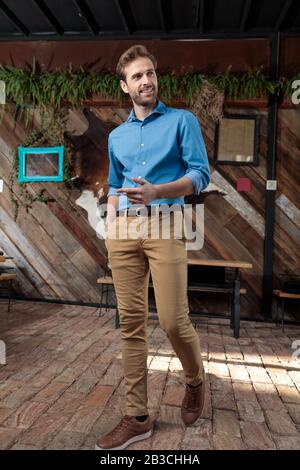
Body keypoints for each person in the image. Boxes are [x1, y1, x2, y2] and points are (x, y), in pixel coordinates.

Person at [95, 45, 210, 451]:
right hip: (123, 230)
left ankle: (195, 380)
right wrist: (110, 220)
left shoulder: (182, 121)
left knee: (175, 322)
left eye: (150, 73)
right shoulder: (117, 135)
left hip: (167, 222)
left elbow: (200, 175)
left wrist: (161, 190)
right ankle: (137, 416)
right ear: (125, 86)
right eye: (137, 76)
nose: (147, 81)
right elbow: (114, 183)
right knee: (130, 324)